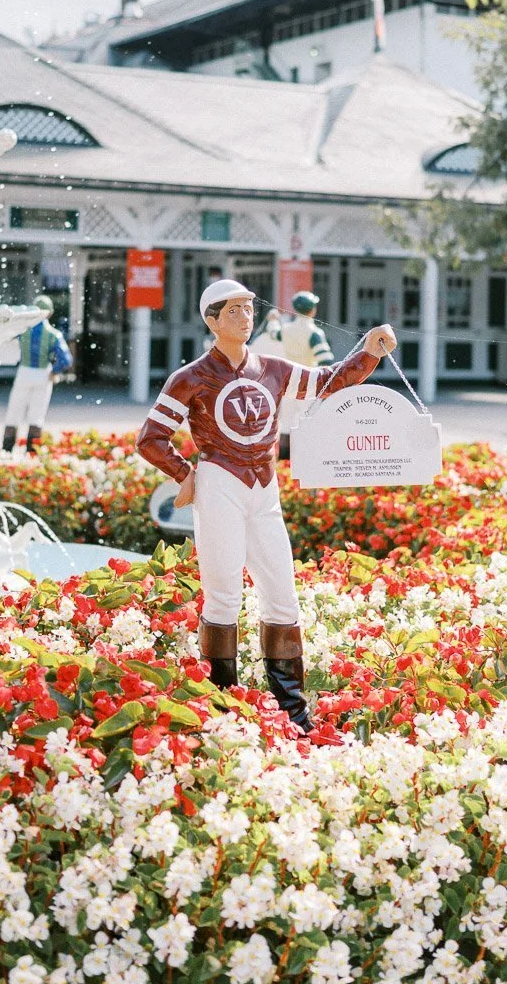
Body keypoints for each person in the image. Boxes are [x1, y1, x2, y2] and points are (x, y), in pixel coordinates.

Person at [136, 277, 396, 732]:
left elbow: (326, 382)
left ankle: (293, 713)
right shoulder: (191, 377)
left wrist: (369, 351)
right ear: (211, 320)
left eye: (247, 308)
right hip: (219, 485)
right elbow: (150, 439)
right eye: (231, 310)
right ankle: (220, 708)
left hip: (264, 489)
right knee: (222, 597)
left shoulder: (272, 367)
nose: (244, 317)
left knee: (282, 595)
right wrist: (186, 474)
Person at [1, 295, 71, 456]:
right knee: (37, 414)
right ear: (50, 313)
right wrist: (54, 371)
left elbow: (6, 337)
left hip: (24, 372)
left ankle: (6, 450)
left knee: (14, 411)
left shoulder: (23, 330)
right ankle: (32, 452)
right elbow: (66, 359)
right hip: (43, 374)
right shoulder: (53, 334)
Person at [268, 290, 335, 459]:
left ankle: (284, 462)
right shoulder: (314, 333)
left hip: (289, 382)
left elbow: (273, 333)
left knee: (286, 424)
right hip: (310, 383)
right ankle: (309, 459)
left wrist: (273, 321)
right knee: (310, 422)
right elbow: (325, 360)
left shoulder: (287, 329)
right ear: (312, 310)